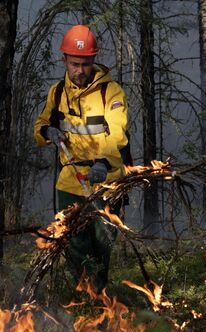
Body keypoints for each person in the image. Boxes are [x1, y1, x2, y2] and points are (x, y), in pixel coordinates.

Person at [34, 25, 130, 292]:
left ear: (93, 61)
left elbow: (118, 135)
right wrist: (48, 131)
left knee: (102, 246)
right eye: (74, 64)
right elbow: (40, 127)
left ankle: (100, 301)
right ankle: (83, 300)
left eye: (85, 64)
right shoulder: (57, 93)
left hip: (106, 183)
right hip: (69, 184)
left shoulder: (110, 93)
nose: (79, 70)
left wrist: (102, 162)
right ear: (64, 60)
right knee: (75, 245)